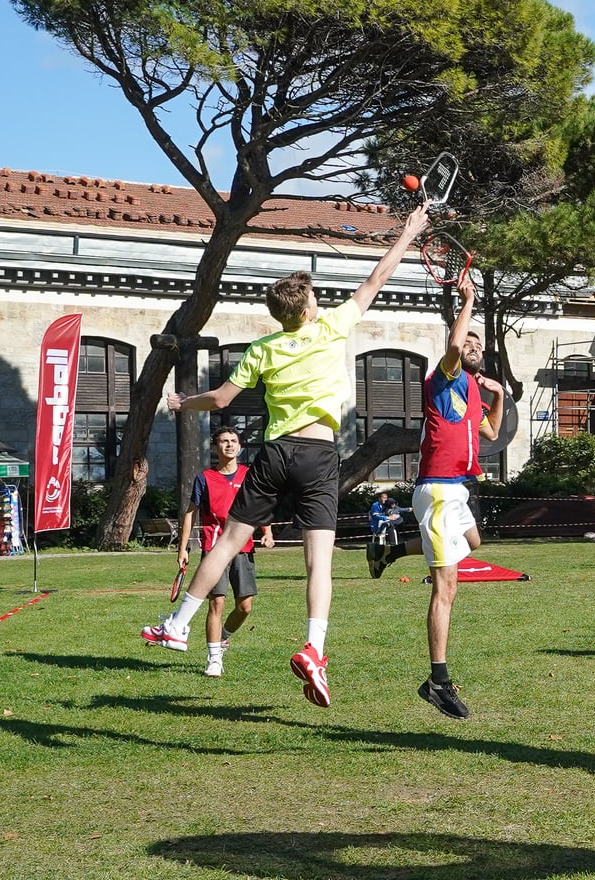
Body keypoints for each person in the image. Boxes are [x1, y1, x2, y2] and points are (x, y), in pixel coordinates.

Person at [142, 202, 429, 707]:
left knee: (228, 542)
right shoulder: (332, 326)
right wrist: (409, 232)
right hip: (319, 455)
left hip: (275, 453)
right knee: (319, 563)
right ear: (308, 307)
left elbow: (224, 399)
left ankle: (178, 625)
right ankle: (315, 649)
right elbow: (377, 278)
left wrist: (185, 403)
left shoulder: (263, 348)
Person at [366, 270, 508, 719]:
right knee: (446, 587)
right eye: (470, 343)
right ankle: (438, 680)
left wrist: (499, 395)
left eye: (479, 347)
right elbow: (452, 347)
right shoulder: (443, 378)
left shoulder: (471, 390)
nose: (473, 348)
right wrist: (467, 301)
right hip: (439, 492)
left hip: (456, 492)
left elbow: (492, 431)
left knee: (474, 544)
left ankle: (389, 548)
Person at [177, 427, 273, 678]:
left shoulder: (250, 475)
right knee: (216, 603)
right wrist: (183, 548)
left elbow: (260, 505)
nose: (229, 445)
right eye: (223, 441)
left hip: (244, 547)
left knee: (245, 607)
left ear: (239, 446)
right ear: (215, 447)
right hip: (214, 548)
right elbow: (190, 513)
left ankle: (222, 638)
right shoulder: (205, 478)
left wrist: (267, 531)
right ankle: (214, 659)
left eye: (233, 441)